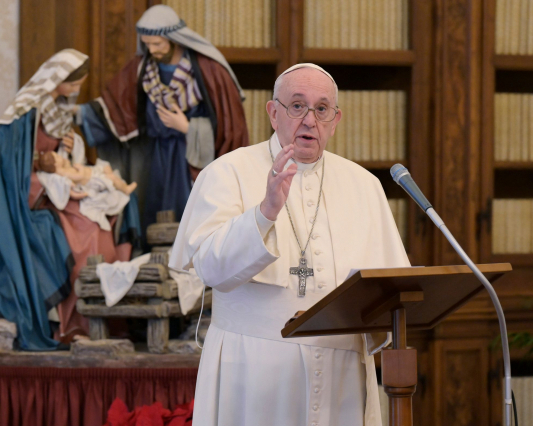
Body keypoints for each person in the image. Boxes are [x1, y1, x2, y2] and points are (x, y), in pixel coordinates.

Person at [169, 64, 411, 426]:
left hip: (341, 378)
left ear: (335, 119)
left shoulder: (365, 186)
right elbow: (209, 269)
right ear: (273, 112)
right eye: (297, 106)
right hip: (251, 375)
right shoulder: (226, 172)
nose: (309, 120)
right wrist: (265, 213)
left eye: (322, 108)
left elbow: (391, 288)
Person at [0, 49, 134, 349]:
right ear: (59, 80)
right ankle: (71, 324)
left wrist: (72, 147)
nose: (79, 90)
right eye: (75, 83)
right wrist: (51, 182)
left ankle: (106, 317)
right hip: (30, 191)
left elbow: (61, 158)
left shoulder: (57, 108)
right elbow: (14, 169)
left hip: (59, 184)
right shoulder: (25, 113)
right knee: (85, 230)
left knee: (111, 211)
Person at [79, 5, 248, 244]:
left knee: (189, 211)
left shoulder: (208, 70)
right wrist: (80, 114)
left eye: (158, 44)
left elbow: (229, 125)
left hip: (191, 156)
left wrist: (187, 127)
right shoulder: (144, 68)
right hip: (156, 154)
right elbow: (115, 105)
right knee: (155, 208)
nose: (152, 50)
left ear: (174, 40)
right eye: (147, 44)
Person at [36, 150, 137, 232]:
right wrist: (81, 169)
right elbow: (79, 176)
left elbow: (70, 166)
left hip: (93, 173)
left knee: (106, 167)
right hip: (93, 181)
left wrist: (67, 163)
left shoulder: (63, 168)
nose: (59, 156)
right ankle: (125, 189)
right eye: (57, 157)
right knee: (111, 178)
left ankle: (116, 183)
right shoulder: (62, 172)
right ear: (55, 164)